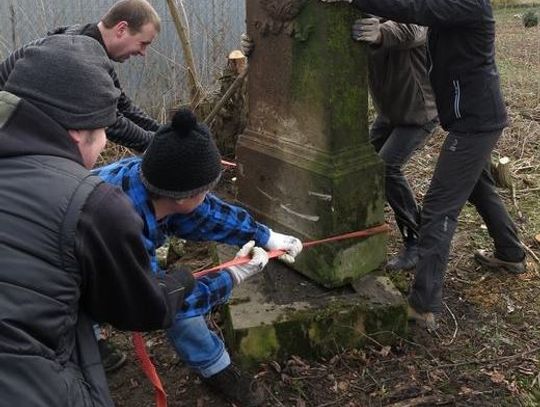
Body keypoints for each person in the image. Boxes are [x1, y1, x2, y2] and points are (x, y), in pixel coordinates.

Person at [0, 34, 196, 406]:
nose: (106, 141)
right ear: (77, 130)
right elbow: (139, 309)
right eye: (103, 128)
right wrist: (180, 282)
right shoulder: (95, 204)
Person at [321, 0, 525, 328]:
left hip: (476, 121)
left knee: (438, 207)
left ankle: (423, 304)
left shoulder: (469, 3)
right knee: (477, 186)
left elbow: (416, 13)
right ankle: (511, 253)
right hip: (467, 118)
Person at [94, 108, 303, 406]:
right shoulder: (123, 227)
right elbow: (156, 303)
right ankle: (215, 369)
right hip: (48, 280)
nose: (208, 195)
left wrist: (264, 234)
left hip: (78, 253)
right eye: (206, 189)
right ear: (181, 196)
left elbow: (205, 213)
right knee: (176, 300)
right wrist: (231, 277)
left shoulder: (147, 179)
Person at [0, 0, 161, 153]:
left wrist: (163, 132)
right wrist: (157, 144)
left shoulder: (88, 44)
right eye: (143, 43)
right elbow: (109, 120)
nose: (143, 53)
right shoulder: (77, 55)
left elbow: (121, 105)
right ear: (121, 29)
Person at [352, 16, 438, 271]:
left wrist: (380, 33)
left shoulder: (410, 14)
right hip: (389, 114)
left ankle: (416, 241)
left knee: (387, 167)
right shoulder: (365, 14)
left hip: (418, 113)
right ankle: (364, 222)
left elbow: (413, 29)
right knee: (363, 162)